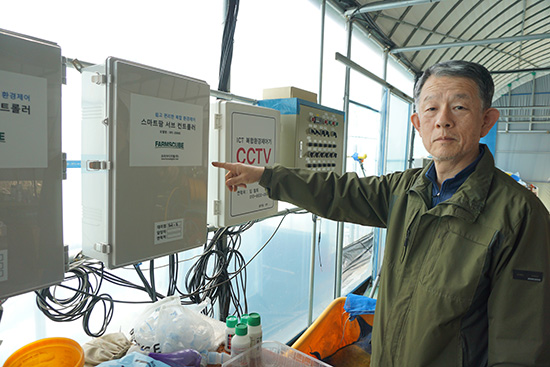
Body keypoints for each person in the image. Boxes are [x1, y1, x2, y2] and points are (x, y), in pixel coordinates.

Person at [212, 60, 550, 366]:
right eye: (431, 108)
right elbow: (339, 191)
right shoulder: (406, 189)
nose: (443, 120)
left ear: (486, 121)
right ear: (418, 123)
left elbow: (520, 342)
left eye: (459, 106)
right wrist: (266, 177)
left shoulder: (519, 214)